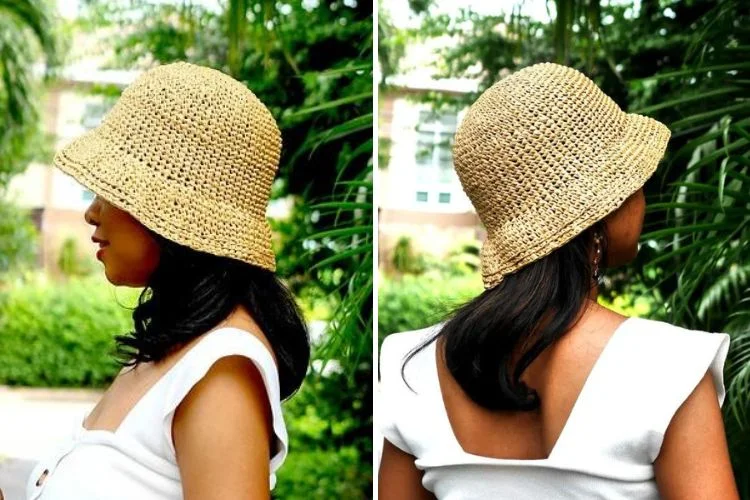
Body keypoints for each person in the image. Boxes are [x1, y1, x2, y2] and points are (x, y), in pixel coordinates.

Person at [378, 62, 739, 499]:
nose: (644, 194)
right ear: (600, 208)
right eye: (633, 179)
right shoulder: (669, 366)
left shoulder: (410, 368)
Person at [25, 62, 310, 500]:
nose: (92, 211)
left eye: (112, 190)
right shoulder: (174, 348)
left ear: (172, 215)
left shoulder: (221, 369)